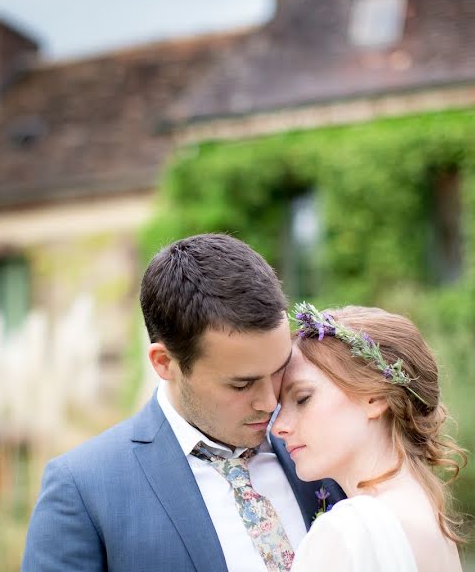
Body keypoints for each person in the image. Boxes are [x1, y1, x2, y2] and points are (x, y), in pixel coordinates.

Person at [21, 234, 343, 572]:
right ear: (164, 363)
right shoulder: (83, 490)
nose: (269, 401)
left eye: (279, 370)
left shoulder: (326, 439)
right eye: (241, 384)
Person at [273, 303, 467, 571]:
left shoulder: (350, 531)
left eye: (303, 399)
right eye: (280, 406)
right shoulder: (430, 519)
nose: (278, 426)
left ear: (374, 397)